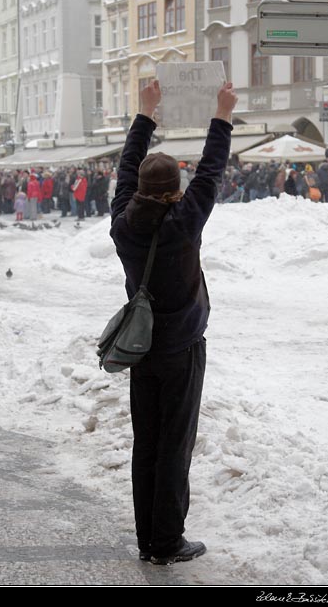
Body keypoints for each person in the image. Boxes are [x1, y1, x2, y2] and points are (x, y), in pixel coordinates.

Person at [110, 79, 237, 565]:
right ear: (176, 192)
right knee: (174, 446)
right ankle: (166, 541)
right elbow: (211, 172)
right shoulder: (184, 225)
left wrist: (146, 114)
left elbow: (128, 168)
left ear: (139, 190)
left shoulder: (123, 224)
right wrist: (222, 114)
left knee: (147, 442)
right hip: (182, 350)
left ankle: (149, 538)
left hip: (140, 350)